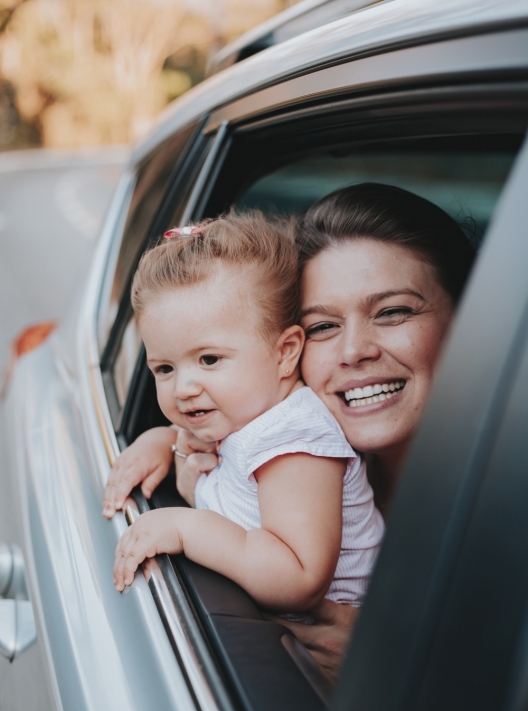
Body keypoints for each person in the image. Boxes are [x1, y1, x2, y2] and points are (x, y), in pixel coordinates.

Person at [106, 183, 475, 679]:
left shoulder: (499, 513)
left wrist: (397, 675)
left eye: (392, 312)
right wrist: (165, 441)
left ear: (472, 321)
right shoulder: (269, 425)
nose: (354, 351)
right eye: (323, 326)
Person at [109, 213, 384, 614]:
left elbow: (299, 577)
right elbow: (197, 439)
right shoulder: (244, 411)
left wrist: (186, 529)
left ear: (285, 352)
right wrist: (162, 441)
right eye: (164, 368)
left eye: (209, 358)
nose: (184, 387)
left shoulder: (293, 441)